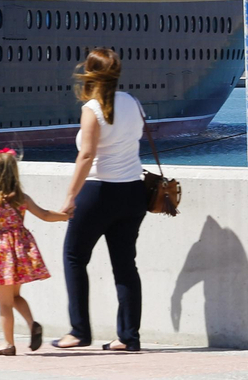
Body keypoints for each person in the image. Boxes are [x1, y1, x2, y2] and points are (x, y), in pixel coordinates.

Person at [53, 47, 147, 352]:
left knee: (74, 257)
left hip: (99, 192)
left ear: (88, 74)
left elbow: (87, 154)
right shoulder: (132, 102)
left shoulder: (91, 109)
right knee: (125, 265)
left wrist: (70, 197)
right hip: (133, 191)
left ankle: (79, 331)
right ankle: (128, 337)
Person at [0, 149, 66, 355]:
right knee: (15, 296)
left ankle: (8, 344)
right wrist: (64, 216)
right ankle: (31, 323)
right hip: (19, 250)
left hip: (1, 252)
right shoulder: (22, 198)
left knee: (4, 303)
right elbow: (44, 214)